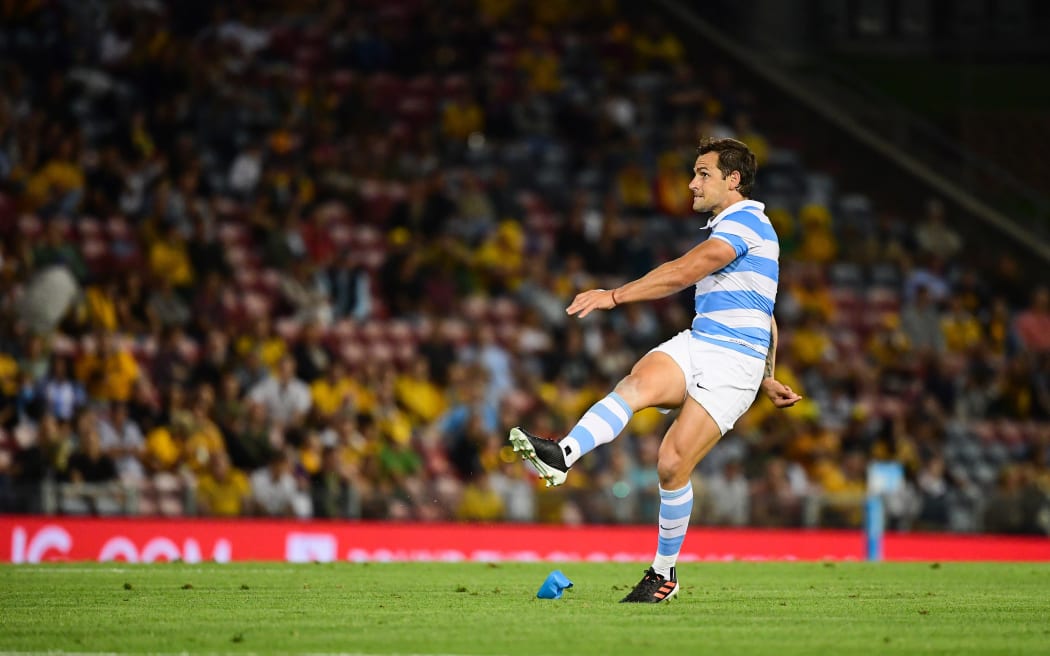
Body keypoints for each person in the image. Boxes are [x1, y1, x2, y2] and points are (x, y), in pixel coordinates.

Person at [509, 138, 801, 603]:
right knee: (638, 381)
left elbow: (685, 271)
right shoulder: (731, 227)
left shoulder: (747, 222)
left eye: (702, 173)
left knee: (670, 463)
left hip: (734, 363)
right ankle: (562, 455)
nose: (691, 182)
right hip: (702, 343)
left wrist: (614, 295)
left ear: (733, 179)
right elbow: (765, 313)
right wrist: (770, 373)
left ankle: (664, 574)